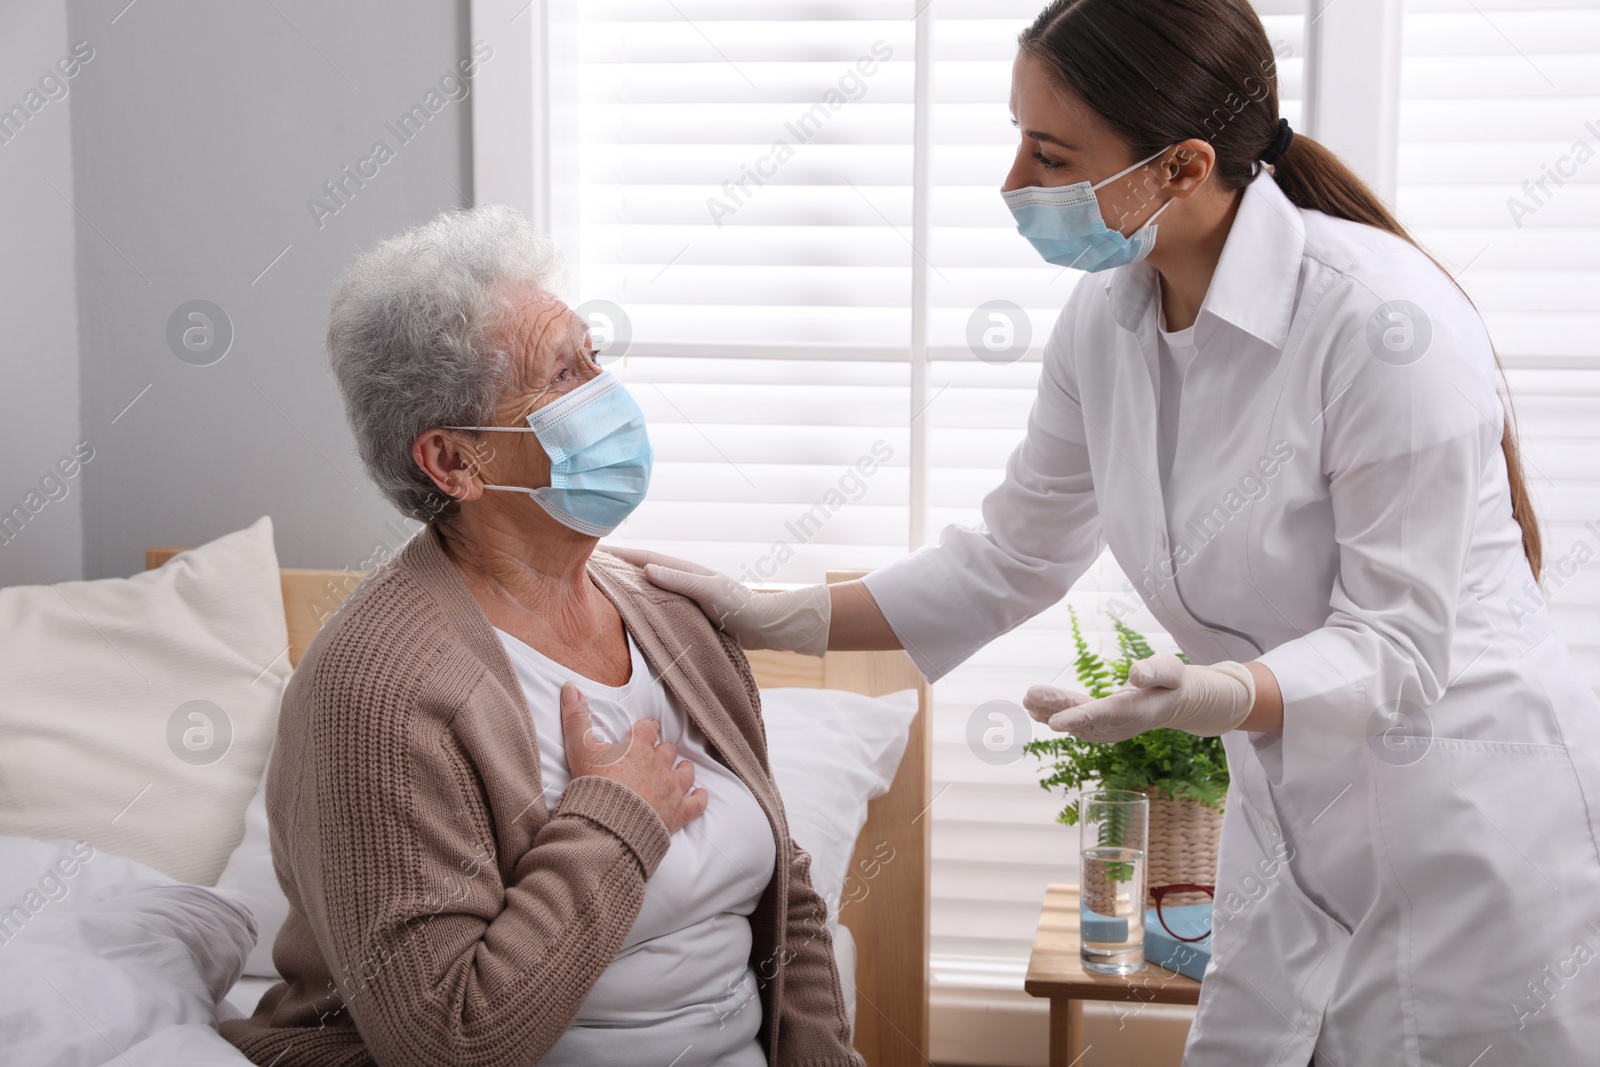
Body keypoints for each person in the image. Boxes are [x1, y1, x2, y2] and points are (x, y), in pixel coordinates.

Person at [612, 0, 1600, 1063]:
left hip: (1465, 815)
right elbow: (1012, 554)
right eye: (1015, 138)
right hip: (1291, 816)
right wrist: (784, 615)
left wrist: (1217, 691)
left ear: (1182, 165)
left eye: (1047, 153)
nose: (1011, 185)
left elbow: (1399, 647)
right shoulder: (1109, 318)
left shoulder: (1379, 327)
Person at [219, 206, 860, 1067]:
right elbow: (451, 1041)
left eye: (595, 357)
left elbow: (793, 899)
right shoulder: (375, 691)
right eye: (563, 376)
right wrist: (619, 817)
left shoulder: (674, 615)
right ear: (455, 463)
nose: (607, 392)